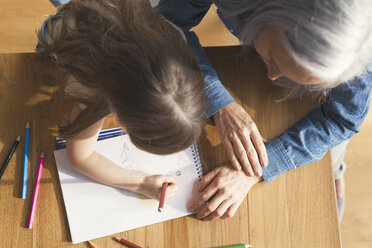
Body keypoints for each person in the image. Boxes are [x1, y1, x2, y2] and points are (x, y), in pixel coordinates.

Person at [156, 0, 372, 221]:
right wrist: (218, 102)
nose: (271, 75)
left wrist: (255, 168)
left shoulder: (360, 47)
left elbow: (343, 120)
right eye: (272, 56)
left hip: (315, 103)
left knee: (329, 161)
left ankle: (336, 172)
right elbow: (164, 23)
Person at [37, 0, 206, 200]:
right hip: (69, 29)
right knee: (48, 40)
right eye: (130, 130)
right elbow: (81, 157)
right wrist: (140, 183)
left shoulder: (175, 38)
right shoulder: (93, 88)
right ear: (119, 107)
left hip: (114, 13)